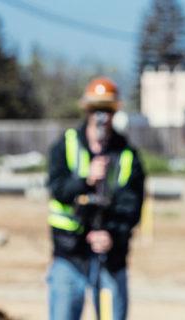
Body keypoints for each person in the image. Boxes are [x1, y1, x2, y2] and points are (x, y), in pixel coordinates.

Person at [46, 77, 145, 320]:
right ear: (87, 110)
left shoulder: (127, 155)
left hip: (110, 257)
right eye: (96, 109)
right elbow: (57, 189)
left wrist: (110, 233)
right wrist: (85, 179)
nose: (101, 116)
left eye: (107, 110)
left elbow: (132, 206)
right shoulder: (66, 145)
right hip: (70, 254)